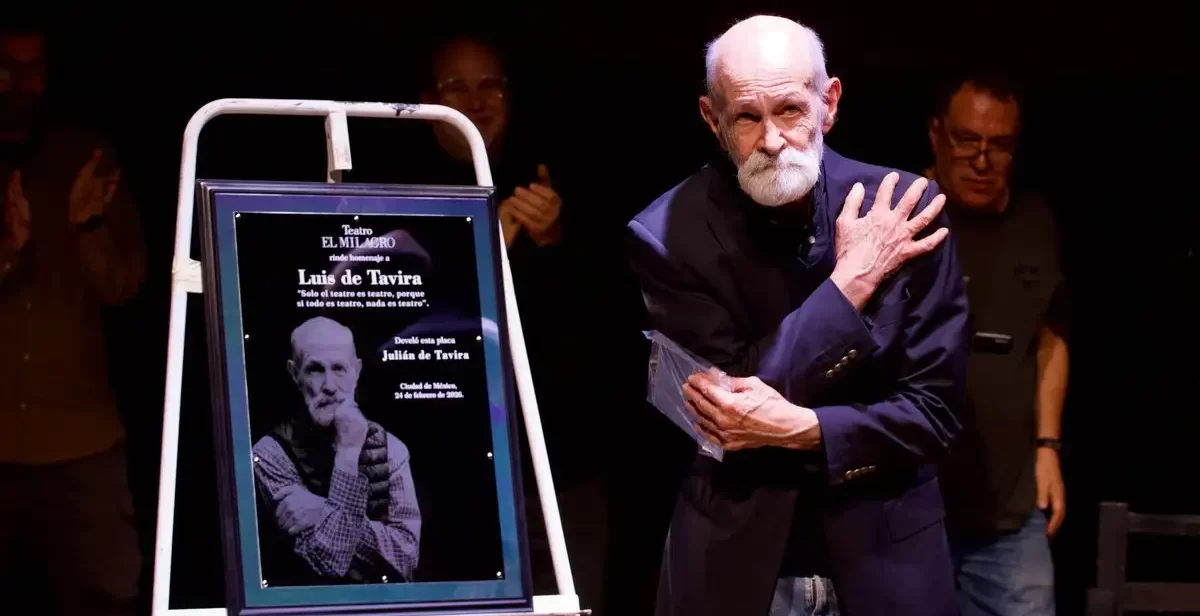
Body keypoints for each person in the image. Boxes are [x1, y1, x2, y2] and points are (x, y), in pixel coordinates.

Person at [625, 16, 970, 616]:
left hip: (887, 563)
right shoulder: (667, 235)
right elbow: (726, 411)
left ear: (828, 103)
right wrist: (848, 285)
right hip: (736, 565)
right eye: (746, 117)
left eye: (789, 110)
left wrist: (803, 429)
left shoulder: (904, 212)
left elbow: (935, 415)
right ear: (713, 119)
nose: (772, 140)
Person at [0, 24, 145, 616]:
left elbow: (125, 285)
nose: (20, 84)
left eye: (33, 68)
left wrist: (87, 226)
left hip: (83, 446)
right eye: (6, 68)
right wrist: (9, 253)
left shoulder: (86, 159)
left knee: (106, 600)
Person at [925, 70, 1069, 616]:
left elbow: (1050, 339)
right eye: (967, 140)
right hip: (914, 506)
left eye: (1000, 145)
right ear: (937, 134)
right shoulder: (900, 216)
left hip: (1010, 512)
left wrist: (1048, 447)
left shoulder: (1035, 222)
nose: (982, 160)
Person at [252, 316, 421, 585]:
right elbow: (330, 560)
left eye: (339, 369)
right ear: (295, 374)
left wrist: (321, 509)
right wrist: (348, 453)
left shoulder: (392, 449)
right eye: (315, 370)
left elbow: (407, 557)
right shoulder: (269, 454)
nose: (329, 386)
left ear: (357, 371)